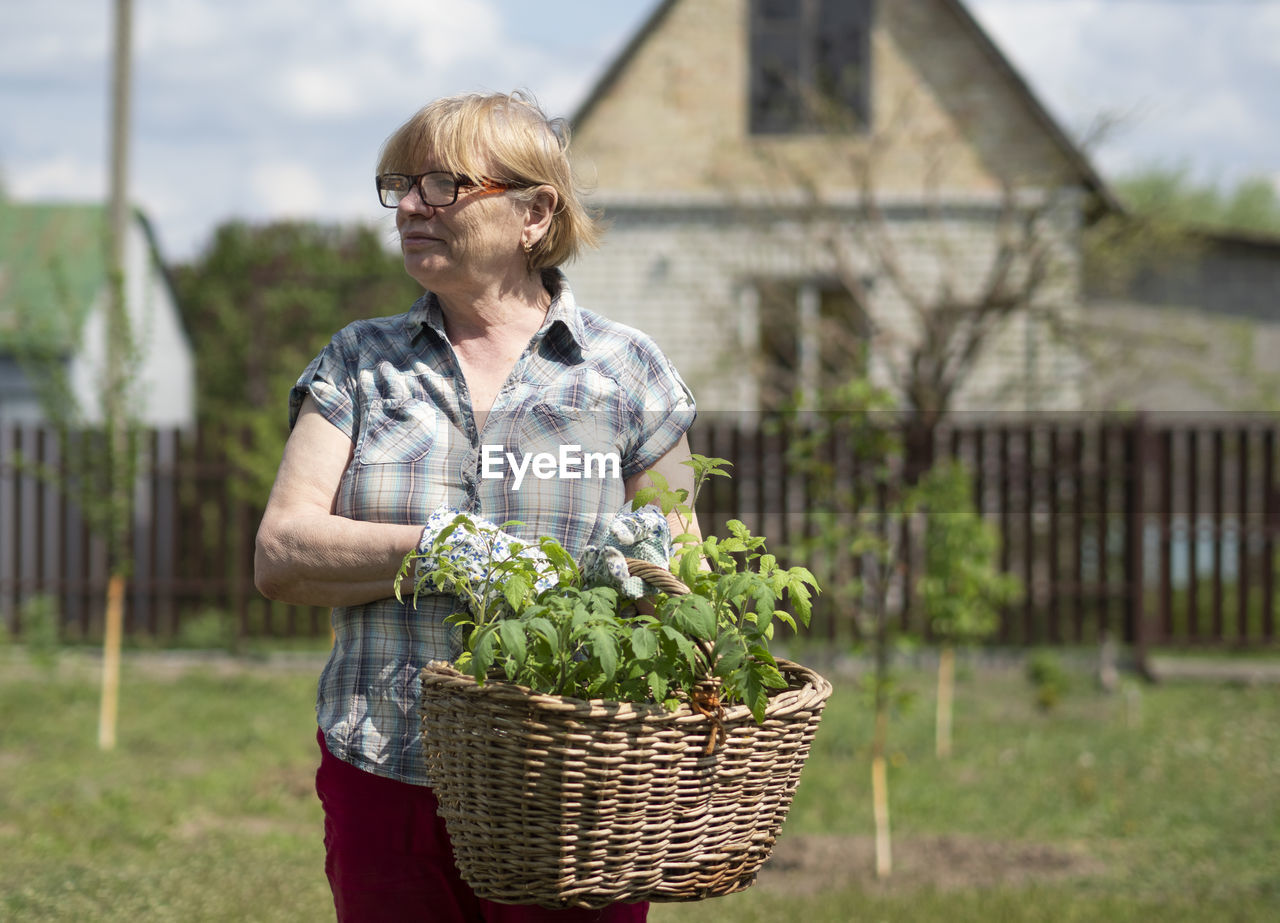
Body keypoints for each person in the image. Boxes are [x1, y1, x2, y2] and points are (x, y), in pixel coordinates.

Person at [254, 90, 697, 922]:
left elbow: (687, 580)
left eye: (444, 185)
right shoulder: (358, 364)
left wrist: (648, 578)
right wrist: (440, 547)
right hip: (386, 763)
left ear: (535, 212)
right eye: (401, 185)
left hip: (574, 783)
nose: (412, 206)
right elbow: (282, 553)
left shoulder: (626, 372)